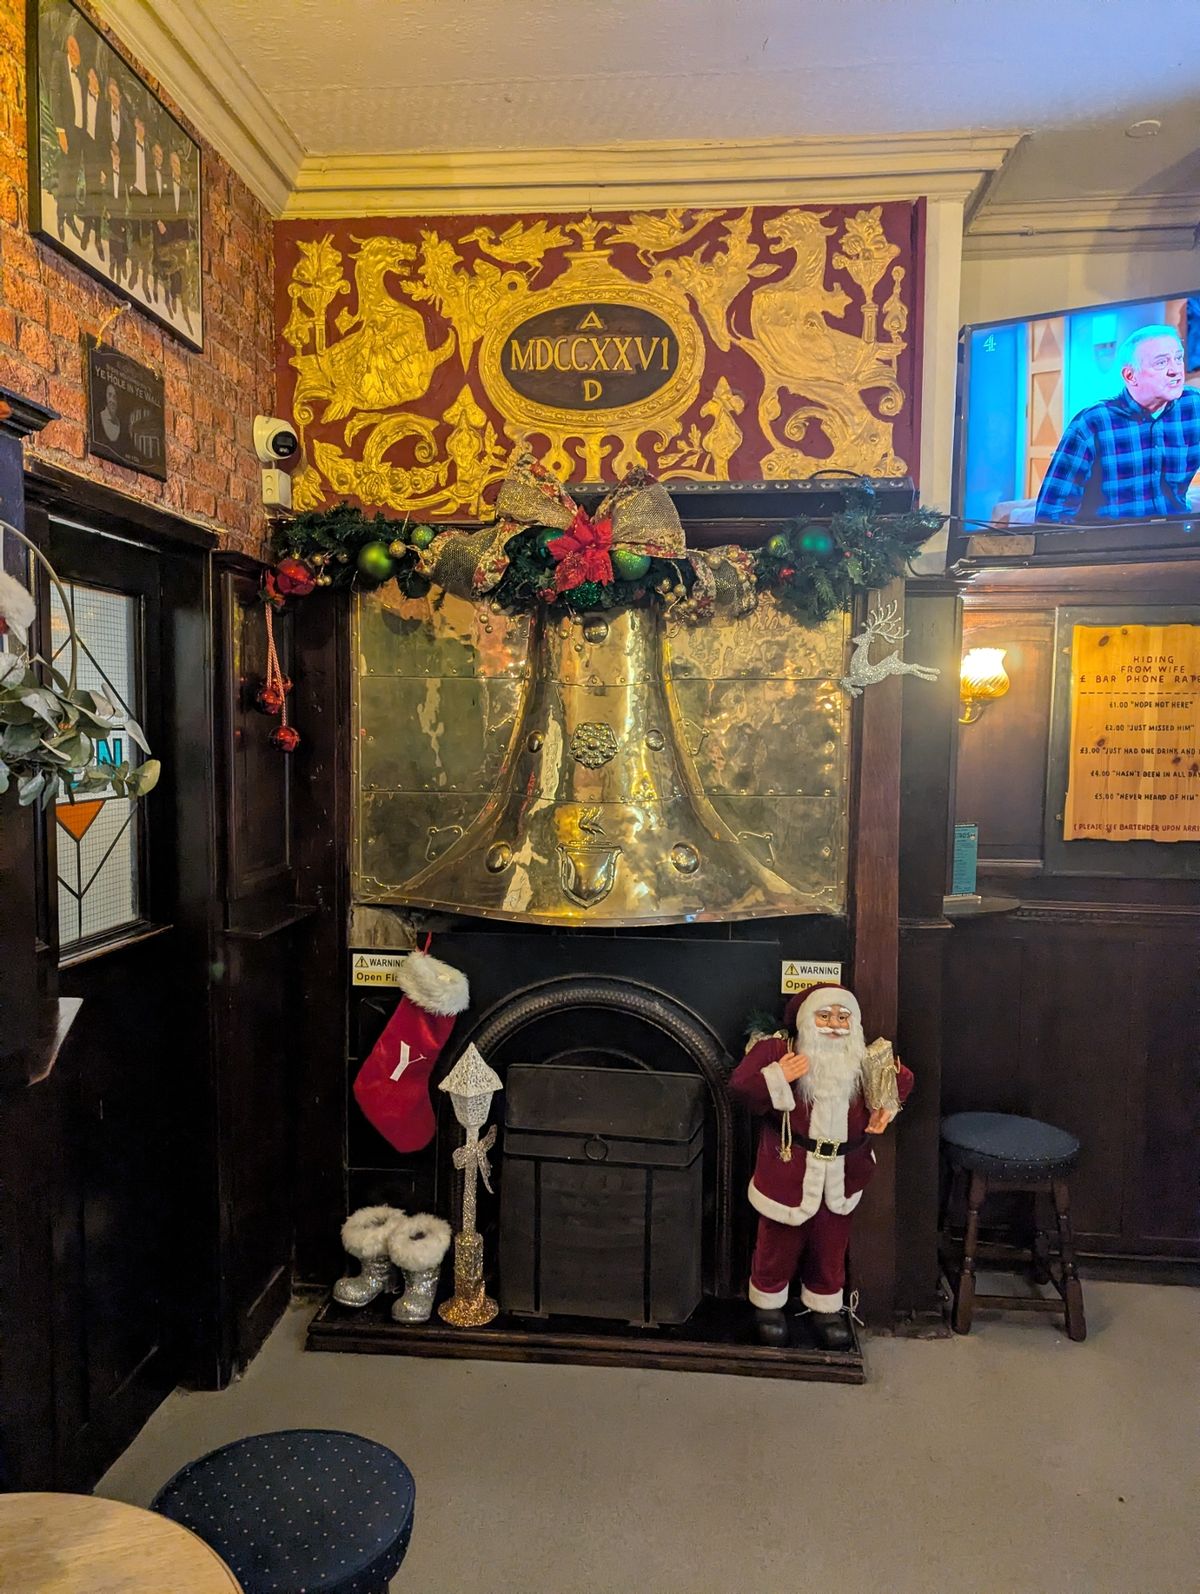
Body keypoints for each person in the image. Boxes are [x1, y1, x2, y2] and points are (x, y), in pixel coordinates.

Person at [728, 984, 913, 1350]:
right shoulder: (781, 1050)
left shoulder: (863, 1059)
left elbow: (902, 1079)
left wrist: (886, 1104)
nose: (834, 1025)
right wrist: (778, 1075)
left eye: (843, 1018)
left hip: (843, 1172)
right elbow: (741, 1087)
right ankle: (767, 1303)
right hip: (789, 1169)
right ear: (807, 1021)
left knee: (831, 1244)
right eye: (824, 1016)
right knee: (776, 1243)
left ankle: (826, 1306)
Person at [1035, 324, 1200, 523]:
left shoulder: (1193, 406)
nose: (1175, 370)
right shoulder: (1092, 423)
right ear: (1130, 376)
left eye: (1178, 358)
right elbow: (1050, 515)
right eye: (1161, 363)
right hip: (1110, 547)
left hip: (1178, 542)